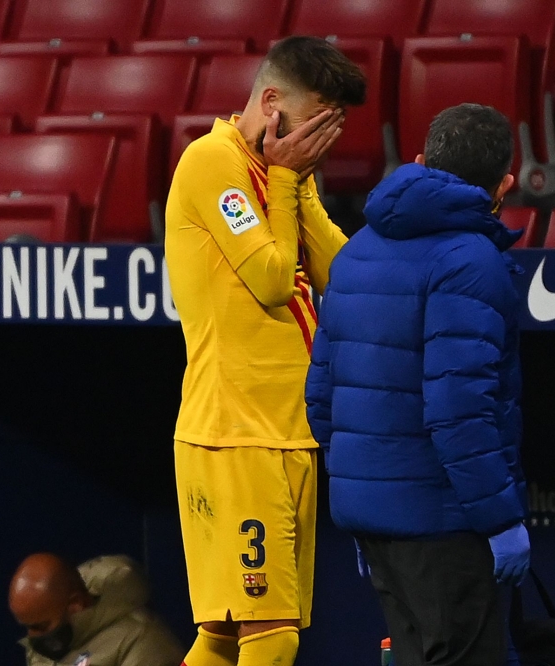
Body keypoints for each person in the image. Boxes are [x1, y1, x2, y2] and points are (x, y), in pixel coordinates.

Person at [164, 36, 366, 666]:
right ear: (271, 102)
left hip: (287, 430)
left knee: (225, 637)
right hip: (234, 434)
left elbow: (344, 275)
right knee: (272, 636)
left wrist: (294, 183)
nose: (320, 142)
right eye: (315, 123)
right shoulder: (211, 162)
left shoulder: (279, 176)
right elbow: (275, 279)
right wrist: (284, 180)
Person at [305, 103, 531, 666]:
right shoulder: (473, 260)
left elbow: (321, 395)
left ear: (421, 161)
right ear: (505, 184)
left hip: (376, 521)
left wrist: (364, 496)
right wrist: (501, 521)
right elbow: (458, 410)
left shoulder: (355, 250)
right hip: (445, 521)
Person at [9, 553, 183, 666]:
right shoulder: (52, 644)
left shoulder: (143, 641)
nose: (32, 636)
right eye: (28, 627)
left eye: (41, 626)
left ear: (75, 604)